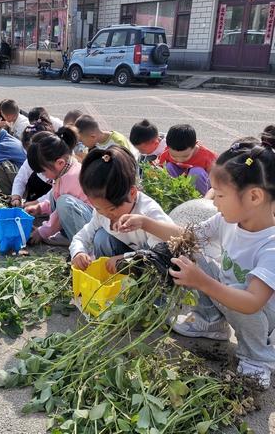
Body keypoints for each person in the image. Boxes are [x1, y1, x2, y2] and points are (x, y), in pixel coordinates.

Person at [117, 133, 275, 389]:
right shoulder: (226, 220)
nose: (214, 202)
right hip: (229, 295)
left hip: (259, 313)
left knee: (236, 291)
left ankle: (258, 357)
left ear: (254, 197)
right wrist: (145, 222)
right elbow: (187, 236)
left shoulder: (271, 244)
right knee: (186, 252)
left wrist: (203, 282)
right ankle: (211, 322)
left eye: (220, 195)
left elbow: (253, 302)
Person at [70, 146, 172, 274]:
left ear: (132, 193)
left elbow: (160, 254)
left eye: (112, 209)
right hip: (125, 257)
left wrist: (125, 259)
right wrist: (78, 252)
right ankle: (110, 278)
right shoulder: (102, 213)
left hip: (153, 267)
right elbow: (81, 236)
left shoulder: (148, 212)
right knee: (101, 238)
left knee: (103, 239)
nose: (107, 215)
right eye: (98, 209)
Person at [25, 127, 92, 246]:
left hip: (92, 225)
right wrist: (40, 208)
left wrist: (42, 232)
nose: (44, 176)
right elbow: (55, 196)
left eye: (44, 171)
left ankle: (81, 243)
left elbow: (59, 214)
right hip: (83, 216)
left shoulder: (73, 177)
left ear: (60, 162)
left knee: (64, 203)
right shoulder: (66, 169)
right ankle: (69, 234)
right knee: (56, 196)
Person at [158, 124, 217, 196]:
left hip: (204, 188)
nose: (180, 160)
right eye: (174, 156)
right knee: (169, 167)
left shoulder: (207, 157)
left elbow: (217, 180)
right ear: (167, 146)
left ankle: (199, 199)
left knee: (196, 173)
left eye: (185, 156)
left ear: (195, 144)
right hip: (183, 182)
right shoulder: (166, 153)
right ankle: (174, 195)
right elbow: (158, 170)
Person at [10, 120, 54, 207]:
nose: (32, 156)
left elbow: (57, 192)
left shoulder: (57, 162)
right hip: (43, 191)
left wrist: (36, 203)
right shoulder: (32, 159)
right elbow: (21, 177)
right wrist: (16, 197)